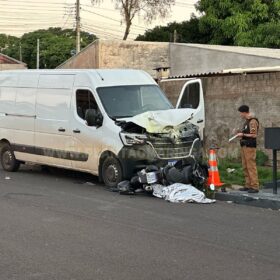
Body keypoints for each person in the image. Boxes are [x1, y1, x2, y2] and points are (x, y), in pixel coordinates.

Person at [236, 105, 260, 193]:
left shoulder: (252, 121)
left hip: (250, 147)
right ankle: (248, 185)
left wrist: (243, 135)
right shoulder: (246, 121)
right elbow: (246, 132)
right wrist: (240, 133)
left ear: (244, 112)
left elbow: (254, 135)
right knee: (245, 166)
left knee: (251, 166)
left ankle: (254, 186)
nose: (240, 115)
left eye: (240, 113)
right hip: (244, 146)